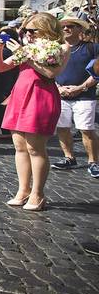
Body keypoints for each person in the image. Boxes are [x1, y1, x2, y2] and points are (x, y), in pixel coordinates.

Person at [0, 14, 70, 211]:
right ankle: (23, 190)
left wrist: (26, 55)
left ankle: (38, 193)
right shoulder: (26, 48)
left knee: (35, 148)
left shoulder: (61, 47)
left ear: (47, 29)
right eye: (25, 30)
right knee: (19, 146)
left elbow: (50, 73)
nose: (27, 34)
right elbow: (0, 68)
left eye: (32, 30)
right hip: (20, 94)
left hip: (40, 95)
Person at [52, 17, 99, 176]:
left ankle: (93, 162)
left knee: (86, 129)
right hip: (61, 95)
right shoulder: (55, 49)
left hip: (84, 95)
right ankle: (69, 157)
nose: (65, 29)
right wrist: (58, 88)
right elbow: (49, 71)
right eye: (63, 26)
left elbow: (97, 72)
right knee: (62, 128)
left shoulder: (91, 48)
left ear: (79, 29)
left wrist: (81, 87)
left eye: (70, 26)